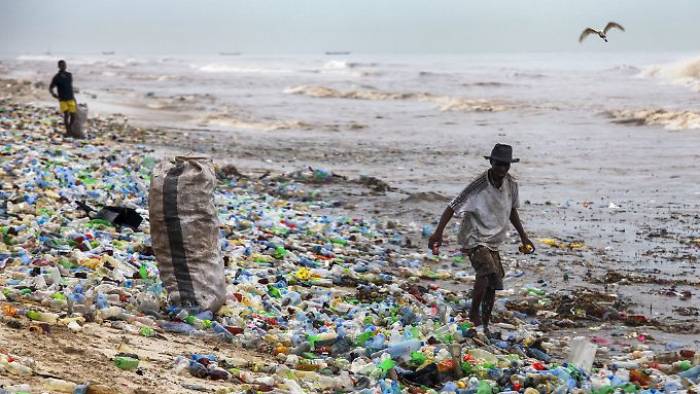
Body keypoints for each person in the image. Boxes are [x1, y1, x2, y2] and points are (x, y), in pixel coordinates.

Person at [428, 143, 535, 337]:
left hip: (493, 239)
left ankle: (484, 324)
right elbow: (452, 206)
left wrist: (523, 236)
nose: (502, 169)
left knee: (494, 282)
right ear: (492, 162)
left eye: (505, 165)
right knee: (486, 271)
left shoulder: (512, 184)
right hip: (474, 236)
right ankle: (473, 313)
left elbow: (512, 210)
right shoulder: (480, 184)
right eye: (499, 164)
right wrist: (438, 233)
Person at [49, 60, 76, 136]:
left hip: (70, 97)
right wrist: (53, 94)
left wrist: (74, 98)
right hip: (62, 99)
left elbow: (70, 87)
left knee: (73, 115)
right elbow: (51, 87)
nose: (63, 66)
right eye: (61, 65)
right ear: (59, 66)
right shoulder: (56, 77)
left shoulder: (69, 75)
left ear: (66, 65)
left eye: (64, 65)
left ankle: (69, 128)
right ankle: (68, 131)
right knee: (66, 114)